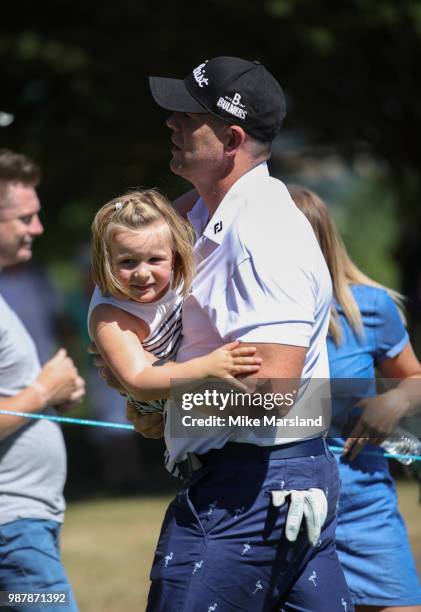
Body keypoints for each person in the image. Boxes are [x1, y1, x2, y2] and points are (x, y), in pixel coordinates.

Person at [123, 56, 353, 611]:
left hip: (249, 488)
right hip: (267, 479)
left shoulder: (261, 234)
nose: (172, 124)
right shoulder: (215, 212)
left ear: (230, 138)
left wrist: (164, 400)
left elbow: (274, 390)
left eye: (187, 116)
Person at [288, 185, 421, 612]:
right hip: (282, 514)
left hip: (365, 510)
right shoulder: (242, 317)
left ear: (319, 242)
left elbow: (416, 378)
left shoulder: (372, 307)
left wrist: (395, 401)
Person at [88, 188, 262, 418]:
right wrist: (205, 368)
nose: (142, 273)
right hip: (161, 401)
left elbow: (212, 190)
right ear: (106, 262)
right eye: (128, 262)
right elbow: (139, 380)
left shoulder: (164, 238)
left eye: (155, 260)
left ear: (175, 256)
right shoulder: (110, 316)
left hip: (183, 374)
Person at [0, 149, 85, 611]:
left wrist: (54, 397)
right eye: (25, 218)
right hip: (13, 535)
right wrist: (42, 392)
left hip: (24, 530)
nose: (38, 228)